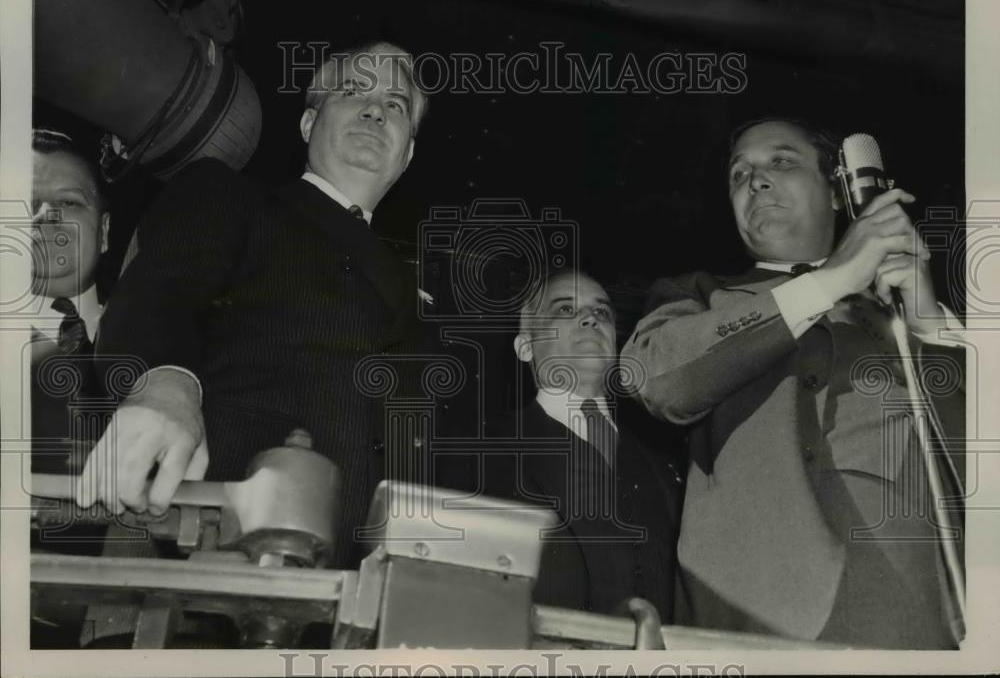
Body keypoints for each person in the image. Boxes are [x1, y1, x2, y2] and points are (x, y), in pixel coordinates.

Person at [78, 41, 437, 570]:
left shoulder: (420, 301)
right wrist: (164, 383)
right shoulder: (230, 196)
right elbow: (160, 292)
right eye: (353, 91)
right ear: (308, 123)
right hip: (210, 556)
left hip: (369, 594)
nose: (375, 110)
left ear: (407, 154)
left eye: (396, 104)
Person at [622, 118, 965, 648]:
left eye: (781, 162)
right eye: (740, 173)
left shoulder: (901, 312)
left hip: (911, 615)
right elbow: (655, 380)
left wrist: (926, 319)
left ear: (837, 191)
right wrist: (833, 281)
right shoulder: (698, 294)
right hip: (759, 611)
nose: (755, 180)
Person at [485, 268, 682, 619]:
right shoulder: (484, 454)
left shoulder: (669, 463)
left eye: (602, 312)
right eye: (564, 310)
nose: (591, 319)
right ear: (526, 346)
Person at [29, 128, 111, 474]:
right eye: (25, 202)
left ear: (104, 233)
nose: (46, 216)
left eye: (68, 202)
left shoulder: (166, 347)